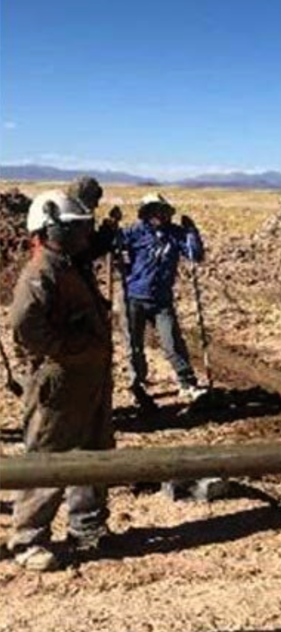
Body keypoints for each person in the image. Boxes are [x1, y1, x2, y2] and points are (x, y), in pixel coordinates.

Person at [8, 190, 113, 571]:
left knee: (93, 451)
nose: (82, 235)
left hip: (88, 377)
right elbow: (24, 324)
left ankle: (87, 525)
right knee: (48, 458)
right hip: (61, 379)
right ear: (50, 229)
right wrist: (65, 348)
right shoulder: (42, 271)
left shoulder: (68, 264)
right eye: (74, 229)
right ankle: (28, 540)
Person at [117, 192, 206, 403]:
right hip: (133, 297)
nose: (158, 215)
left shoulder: (175, 234)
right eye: (153, 211)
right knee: (134, 346)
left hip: (161, 300)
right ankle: (137, 385)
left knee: (172, 342)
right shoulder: (135, 232)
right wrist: (112, 229)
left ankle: (187, 383)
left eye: (162, 210)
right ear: (145, 213)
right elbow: (113, 244)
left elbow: (195, 255)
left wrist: (192, 232)